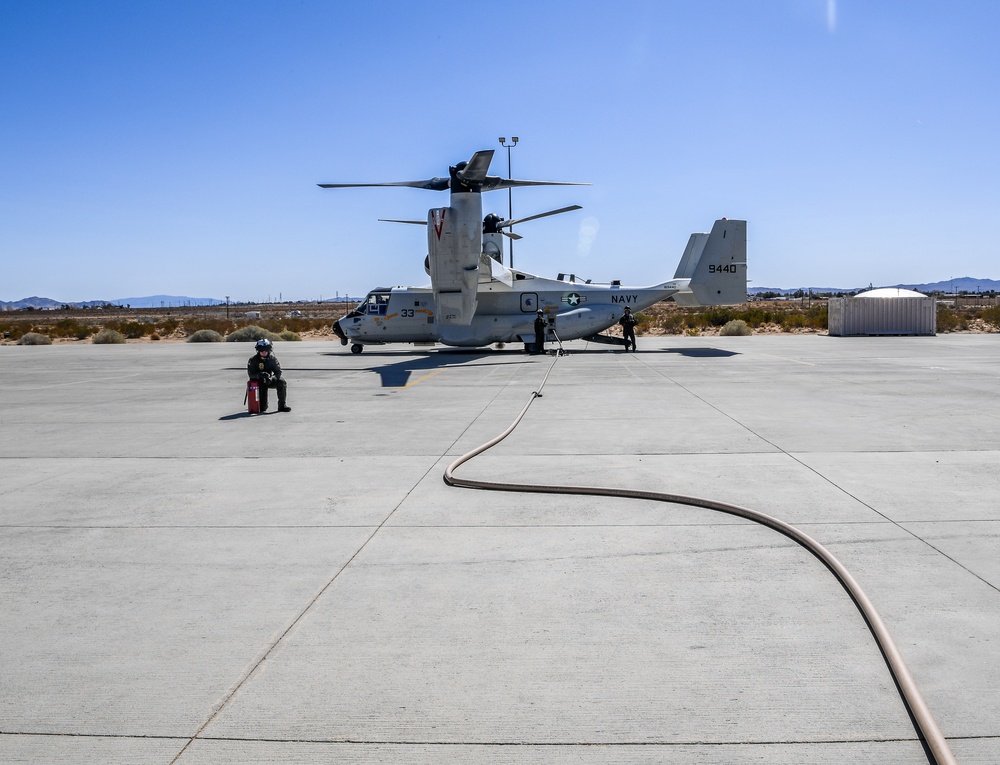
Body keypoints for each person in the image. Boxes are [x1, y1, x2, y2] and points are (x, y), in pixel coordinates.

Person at [247, 338, 291, 412]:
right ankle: (262, 404)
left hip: (269, 381)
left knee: (281, 381)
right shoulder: (253, 360)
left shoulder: (272, 359)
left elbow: (278, 372)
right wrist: (259, 375)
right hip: (258, 383)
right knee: (262, 408)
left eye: (266, 350)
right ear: (258, 350)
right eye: (261, 350)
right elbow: (251, 374)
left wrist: (272, 378)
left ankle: (282, 405)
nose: (264, 352)